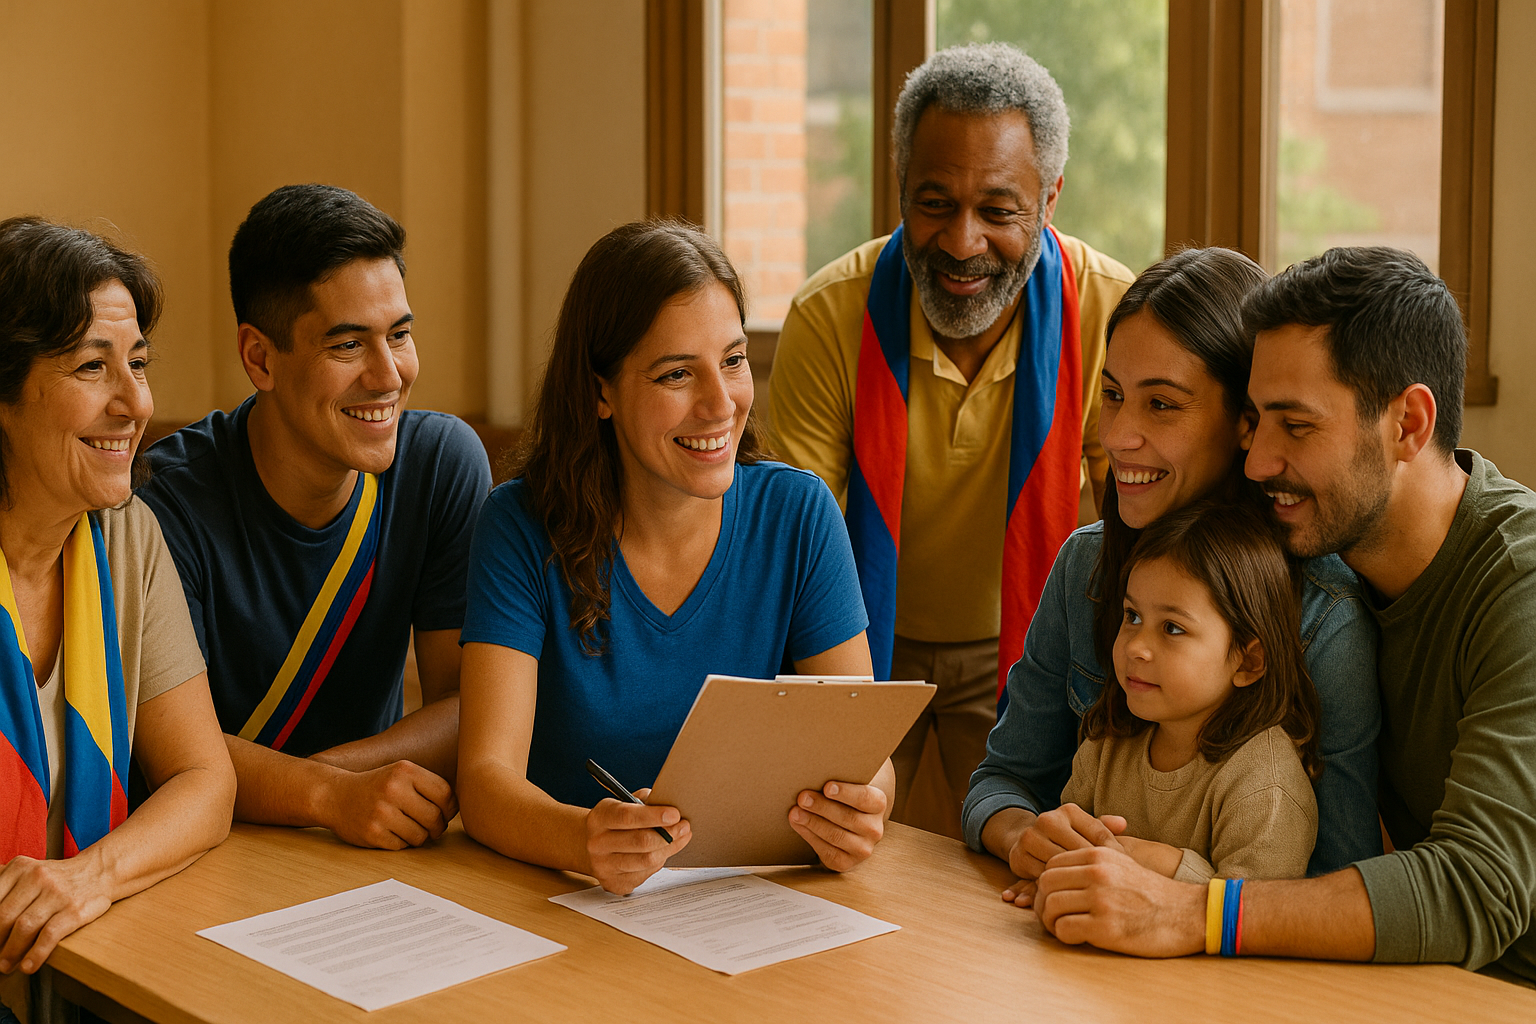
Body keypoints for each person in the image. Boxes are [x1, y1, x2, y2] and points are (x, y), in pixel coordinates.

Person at [1032, 247, 1536, 983]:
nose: (1257, 461)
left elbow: (1477, 888)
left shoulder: (1518, 582)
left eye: (1295, 427)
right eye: (1255, 422)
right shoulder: (1321, 572)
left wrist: (1192, 909)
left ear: (1408, 424)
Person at [457, 220, 892, 895]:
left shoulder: (800, 515)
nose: (720, 404)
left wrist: (864, 807)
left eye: (734, 360)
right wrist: (582, 839)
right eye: (676, 374)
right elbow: (486, 783)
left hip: (750, 901)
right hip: (564, 899)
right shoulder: (518, 527)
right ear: (601, 391)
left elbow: (866, 755)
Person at [768, 43, 1135, 819]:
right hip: (857, 640)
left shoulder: (1112, 313)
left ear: (1051, 197)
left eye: (998, 211)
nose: (963, 244)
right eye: (935, 203)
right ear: (900, 186)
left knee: (1016, 851)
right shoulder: (829, 316)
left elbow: (1135, 527)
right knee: (832, 840)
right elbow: (797, 544)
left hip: (1032, 645)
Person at [963, 247, 1379, 900]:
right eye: (1112, 395)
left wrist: (1163, 884)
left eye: (1162, 404)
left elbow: (1339, 882)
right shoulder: (1084, 567)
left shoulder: (1326, 614)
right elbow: (1002, 781)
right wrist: (1023, 835)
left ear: (1246, 423)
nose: (1117, 436)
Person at [137, 185, 491, 851]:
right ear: (260, 358)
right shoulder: (164, 505)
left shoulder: (441, 464)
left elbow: (467, 708)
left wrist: (325, 786)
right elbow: (172, 753)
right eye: (348, 345)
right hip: (203, 850)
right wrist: (328, 794)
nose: (388, 376)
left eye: (400, 335)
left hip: (359, 842)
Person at [0, 218, 236, 1021]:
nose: (136, 403)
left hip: (79, 971)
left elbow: (206, 782)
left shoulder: (125, 537)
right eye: (91, 366)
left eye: (137, 363)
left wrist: (85, 879)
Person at [1059, 500, 1320, 884]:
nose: (1136, 647)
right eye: (1132, 616)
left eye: (1172, 628)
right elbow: (1068, 853)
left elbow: (1256, 912)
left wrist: (1162, 863)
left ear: (1248, 662)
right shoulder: (1107, 744)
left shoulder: (1266, 786)